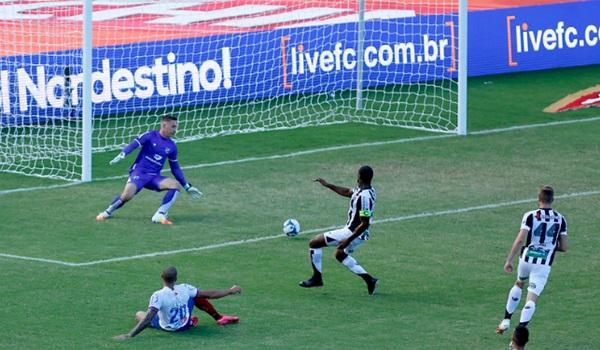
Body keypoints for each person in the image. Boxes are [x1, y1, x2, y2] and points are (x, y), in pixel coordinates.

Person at [96, 114, 203, 224]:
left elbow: (175, 168)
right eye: (173, 127)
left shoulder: (172, 146)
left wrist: (186, 186)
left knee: (175, 185)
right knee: (127, 196)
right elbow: (135, 143)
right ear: (164, 125)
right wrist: (123, 153)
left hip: (154, 177)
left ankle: (160, 214)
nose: (175, 130)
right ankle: (107, 211)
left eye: (176, 127)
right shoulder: (150, 135)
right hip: (139, 173)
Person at [496, 186, 568, 334]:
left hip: (526, 259)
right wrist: (550, 247)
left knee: (519, 283)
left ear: (538, 199)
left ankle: (506, 320)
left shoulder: (530, 215)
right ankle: (518, 334)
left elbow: (521, 239)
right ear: (552, 200)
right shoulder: (561, 219)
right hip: (543, 264)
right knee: (531, 299)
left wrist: (509, 260)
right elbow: (564, 247)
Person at [299, 165, 379, 295]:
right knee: (340, 254)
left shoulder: (365, 197)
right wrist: (328, 185)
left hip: (352, 232)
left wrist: (348, 239)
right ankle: (370, 280)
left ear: (360, 177)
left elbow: (364, 223)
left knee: (314, 243)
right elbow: (348, 192)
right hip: (354, 231)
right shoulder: (364, 190)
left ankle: (317, 278)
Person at [113, 266, 241, 340]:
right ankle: (217, 318)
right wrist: (230, 291)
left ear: (162, 278)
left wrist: (130, 335)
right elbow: (211, 294)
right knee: (196, 295)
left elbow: (147, 319)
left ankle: (191, 321)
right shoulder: (185, 288)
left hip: (170, 327)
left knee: (139, 314)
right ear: (176, 279)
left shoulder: (158, 296)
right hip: (184, 325)